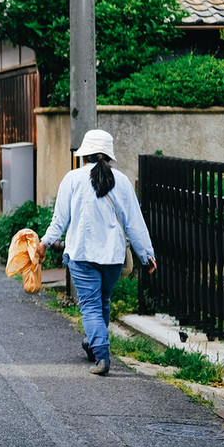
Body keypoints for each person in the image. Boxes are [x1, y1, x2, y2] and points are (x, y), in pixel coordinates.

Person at [36, 129, 157, 376]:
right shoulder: (121, 181)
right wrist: (147, 255)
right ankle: (93, 343)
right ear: (108, 156)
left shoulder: (72, 179)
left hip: (82, 255)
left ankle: (102, 357)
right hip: (112, 258)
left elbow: (60, 220)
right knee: (102, 301)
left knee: (90, 306)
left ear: (84, 155)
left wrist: (44, 243)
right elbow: (134, 221)